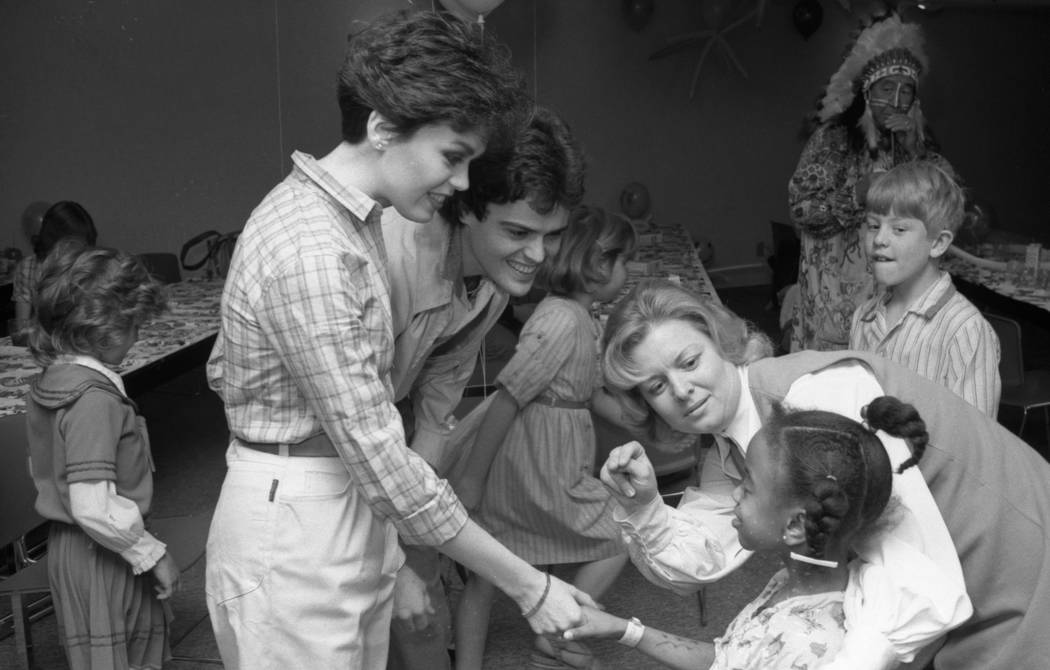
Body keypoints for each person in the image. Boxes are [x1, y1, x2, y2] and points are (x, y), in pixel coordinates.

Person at [204, 11, 592, 669]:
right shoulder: (312, 248)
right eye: (452, 157)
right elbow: (382, 458)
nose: (463, 184)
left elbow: (407, 434)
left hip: (343, 495)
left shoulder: (350, 226)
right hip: (295, 511)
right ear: (384, 128)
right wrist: (528, 584)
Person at [596, 278, 1050, 669]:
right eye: (656, 386)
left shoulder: (819, 397)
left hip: (1013, 555)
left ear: (718, 340)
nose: (680, 390)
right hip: (945, 576)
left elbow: (917, 582)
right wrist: (643, 507)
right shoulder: (730, 443)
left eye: (689, 362)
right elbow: (708, 555)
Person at [382, 105, 586, 670]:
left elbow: (434, 415)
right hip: (318, 464)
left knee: (419, 620)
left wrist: (417, 558)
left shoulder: (491, 284)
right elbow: (355, 433)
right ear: (467, 203)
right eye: (519, 232)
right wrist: (396, 564)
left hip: (387, 457)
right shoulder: (391, 260)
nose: (538, 256)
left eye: (551, 236)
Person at [566, 397, 925, 669]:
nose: (734, 494)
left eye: (748, 487)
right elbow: (729, 658)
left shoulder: (807, 645)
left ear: (796, 525)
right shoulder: (792, 579)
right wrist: (622, 629)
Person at [450, 205, 635, 670]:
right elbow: (509, 398)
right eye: (623, 260)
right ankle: (558, 634)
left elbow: (588, 395)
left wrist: (644, 422)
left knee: (487, 573)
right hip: (536, 465)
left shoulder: (576, 316)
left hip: (547, 459)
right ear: (597, 266)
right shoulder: (562, 320)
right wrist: (472, 479)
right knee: (621, 531)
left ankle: (544, 637)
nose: (627, 271)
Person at [24, 240, 176, 669]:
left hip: (74, 547)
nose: (138, 336)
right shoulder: (94, 399)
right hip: (101, 552)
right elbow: (92, 506)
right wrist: (153, 554)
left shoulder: (55, 379)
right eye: (133, 327)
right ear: (101, 329)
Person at [788, 13, 956, 352]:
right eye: (886, 88)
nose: (896, 100)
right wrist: (857, 194)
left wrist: (914, 149)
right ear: (867, 92)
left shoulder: (921, 145)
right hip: (834, 298)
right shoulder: (833, 139)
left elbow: (947, 202)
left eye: (906, 90)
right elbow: (801, 209)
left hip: (896, 292)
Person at [849, 161, 1000, 417]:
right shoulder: (864, 316)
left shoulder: (965, 332)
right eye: (874, 225)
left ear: (938, 243)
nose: (879, 239)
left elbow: (974, 443)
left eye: (899, 229)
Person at [12, 200, 97, 324]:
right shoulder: (28, 268)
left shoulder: (89, 266)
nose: (80, 253)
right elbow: (22, 324)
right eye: (75, 246)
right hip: (44, 338)